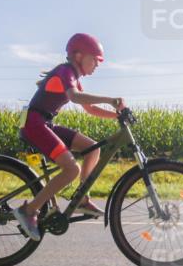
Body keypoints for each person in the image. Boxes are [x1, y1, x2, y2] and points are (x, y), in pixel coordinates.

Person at [13, 33, 125, 240]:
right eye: (95, 59)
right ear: (79, 56)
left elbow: (90, 109)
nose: (97, 64)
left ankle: (82, 200)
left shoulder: (73, 77)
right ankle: (28, 211)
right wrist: (110, 99)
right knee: (71, 169)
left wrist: (116, 115)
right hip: (34, 124)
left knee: (93, 148)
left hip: (45, 122)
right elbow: (75, 97)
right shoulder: (65, 72)